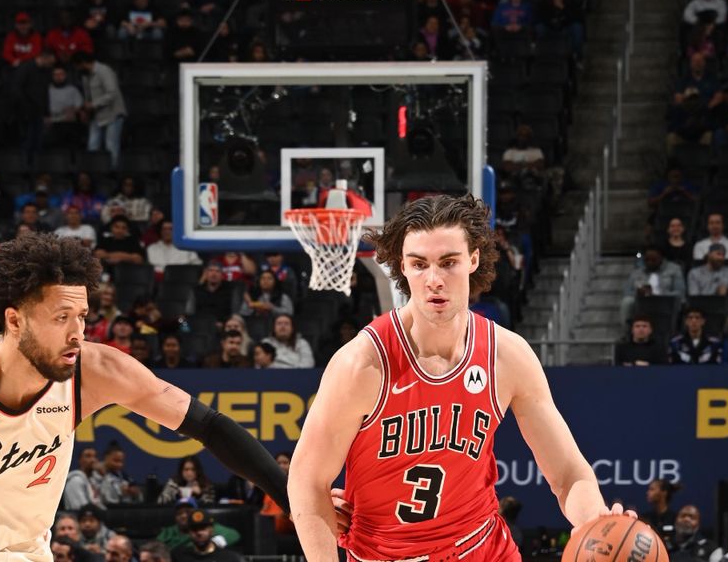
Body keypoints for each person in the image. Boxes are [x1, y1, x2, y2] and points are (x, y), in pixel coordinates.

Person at [288, 195, 634, 561]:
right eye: (419, 264)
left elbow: (567, 473)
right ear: (402, 267)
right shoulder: (362, 364)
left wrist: (598, 524)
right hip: (385, 554)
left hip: (482, 549)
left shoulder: (506, 355)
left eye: (448, 262)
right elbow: (308, 481)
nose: (434, 279)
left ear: (473, 259)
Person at [0, 232, 294, 559]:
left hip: (27, 551)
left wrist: (292, 499)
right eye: (61, 317)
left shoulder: (94, 370)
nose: (77, 333)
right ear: (15, 320)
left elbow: (209, 426)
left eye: (82, 317)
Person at [71, 51, 127, 169]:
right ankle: (91, 174)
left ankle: (111, 174)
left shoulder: (104, 71)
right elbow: (88, 96)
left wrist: (93, 105)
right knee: (92, 146)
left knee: (111, 146)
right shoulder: (86, 75)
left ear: (83, 63)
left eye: (78, 66)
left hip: (113, 114)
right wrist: (87, 110)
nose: (77, 69)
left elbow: (112, 93)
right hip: (96, 115)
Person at [620, 244, 686, 325]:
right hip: (643, 302)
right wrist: (638, 293)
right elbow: (626, 292)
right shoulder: (637, 272)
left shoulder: (674, 269)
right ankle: (628, 332)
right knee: (627, 302)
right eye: (647, 260)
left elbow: (680, 293)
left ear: (661, 258)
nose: (650, 262)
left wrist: (657, 294)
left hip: (664, 301)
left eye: (654, 260)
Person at [157, 498, 240, 551]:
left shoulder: (206, 526)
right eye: (179, 513)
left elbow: (234, 535)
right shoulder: (168, 531)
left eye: (187, 512)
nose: (183, 516)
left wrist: (213, 543)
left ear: (196, 513)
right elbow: (156, 548)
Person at [171, 510, 242, 562]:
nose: (199, 533)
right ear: (189, 532)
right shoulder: (178, 556)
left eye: (203, 528)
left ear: (211, 530)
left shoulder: (230, 558)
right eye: (194, 529)